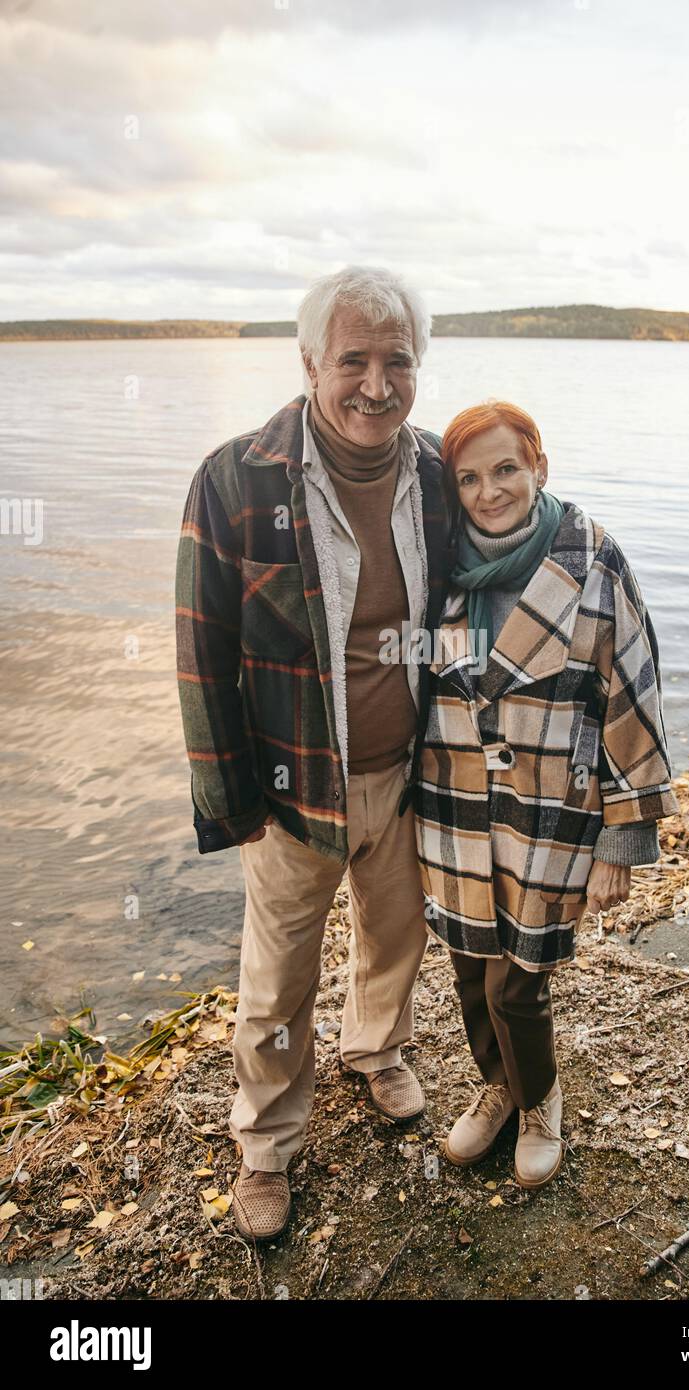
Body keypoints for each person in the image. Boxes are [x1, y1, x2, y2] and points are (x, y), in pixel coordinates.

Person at [175, 266, 452, 1240]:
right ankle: (266, 1142)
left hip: (407, 777)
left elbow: (475, 597)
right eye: (352, 361)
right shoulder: (235, 478)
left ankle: (376, 1051)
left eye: (396, 361)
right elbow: (199, 652)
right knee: (277, 980)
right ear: (307, 365)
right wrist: (233, 800)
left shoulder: (432, 474)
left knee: (395, 938)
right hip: (294, 790)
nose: (375, 384)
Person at [414, 401, 679, 1189]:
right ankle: (498, 1085)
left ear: (539, 468)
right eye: (468, 478)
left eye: (505, 470)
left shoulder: (592, 559)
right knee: (469, 966)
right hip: (452, 800)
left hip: (550, 810)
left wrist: (622, 840)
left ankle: (540, 1100)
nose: (489, 492)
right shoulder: (437, 564)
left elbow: (633, 689)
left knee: (517, 979)